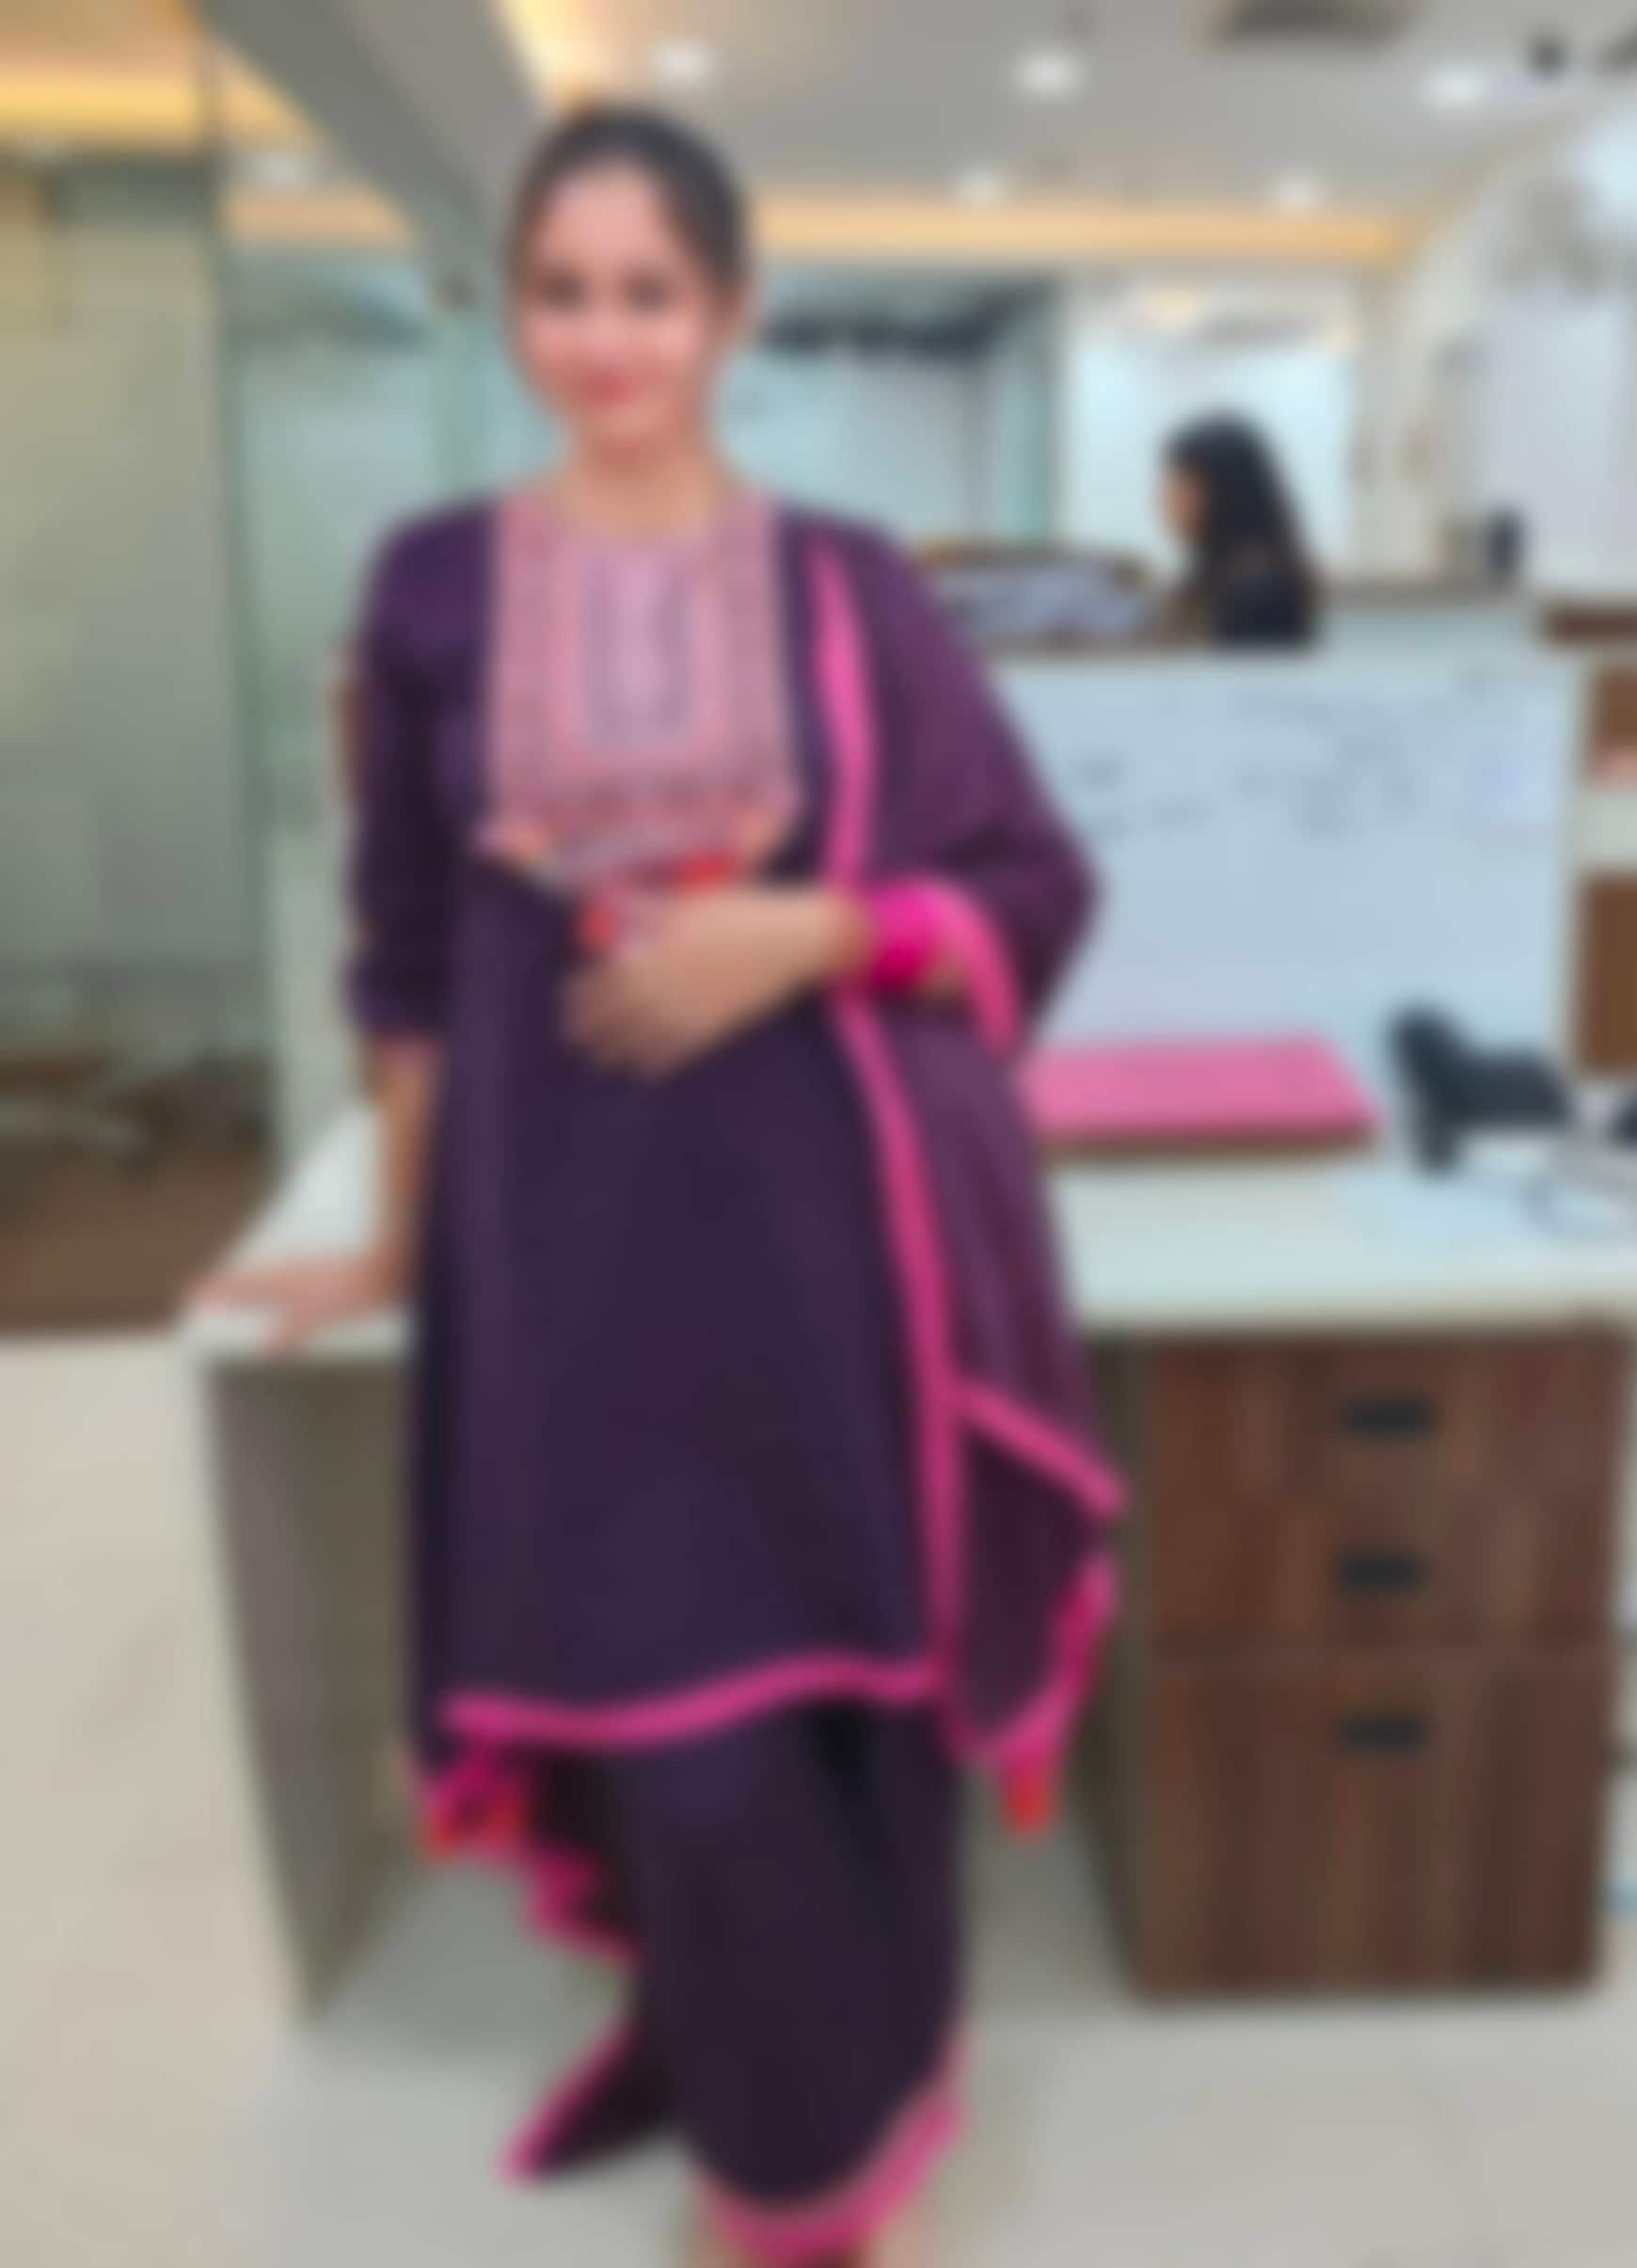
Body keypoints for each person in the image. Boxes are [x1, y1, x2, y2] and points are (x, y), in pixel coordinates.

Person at [195, 105, 1120, 2268]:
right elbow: (408, 954)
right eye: (561, 291)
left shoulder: (849, 587)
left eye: (648, 293)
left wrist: (813, 930)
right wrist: (399, 1233)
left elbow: (1028, 879)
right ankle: (736, 2069)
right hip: (558, 1257)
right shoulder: (432, 584)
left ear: (729, 312)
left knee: (817, 1701)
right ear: (510, 306)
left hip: (817, 1244)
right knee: (654, 1712)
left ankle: (804, 2174)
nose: (602, 338)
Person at [1158, 413, 1321, 650]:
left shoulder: (1256, 589)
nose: (1167, 501)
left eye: (1181, 488)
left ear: (1226, 492)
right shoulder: (1221, 573)